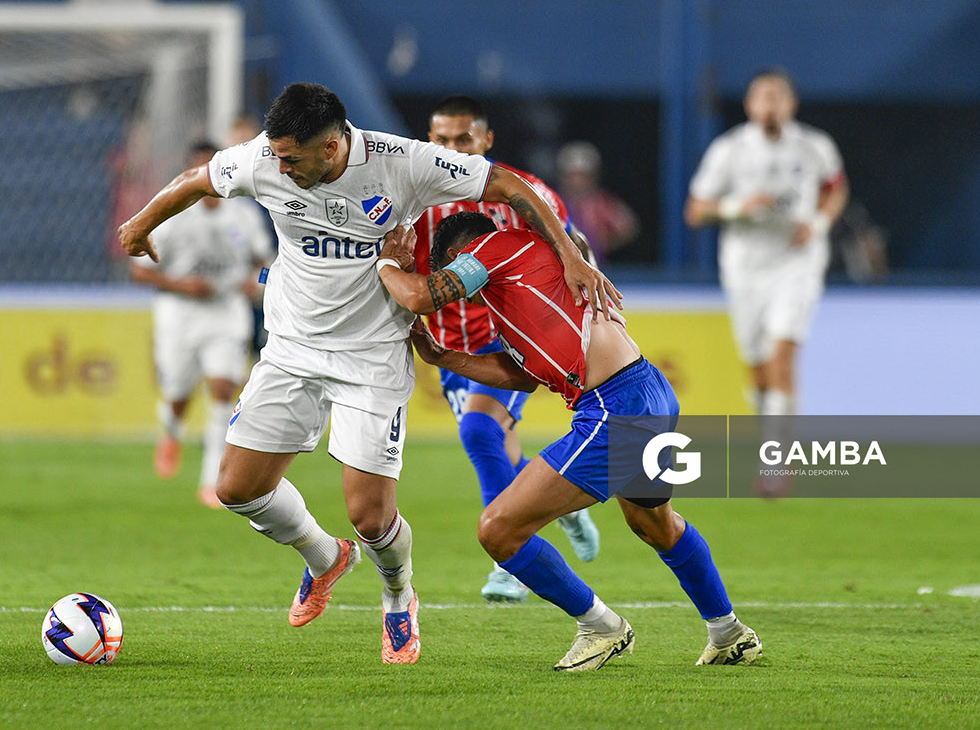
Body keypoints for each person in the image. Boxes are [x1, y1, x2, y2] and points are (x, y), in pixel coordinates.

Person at [117, 82, 617, 664]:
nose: (277, 167)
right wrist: (140, 223)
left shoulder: (401, 162)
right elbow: (200, 179)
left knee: (370, 516)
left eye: (292, 159)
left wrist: (571, 255)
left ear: (332, 147)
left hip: (371, 355)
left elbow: (507, 184)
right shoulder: (264, 158)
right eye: (275, 156)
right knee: (236, 489)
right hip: (291, 348)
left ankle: (399, 597)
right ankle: (324, 557)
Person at [377, 211, 760, 672]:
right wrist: (443, 357)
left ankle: (601, 627)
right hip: (646, 390)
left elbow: (420, 296)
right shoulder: (518, 292)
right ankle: (729, 632)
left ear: (460, 256)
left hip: (615, 406)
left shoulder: (492, 249)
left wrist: (387, 264)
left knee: (498, 529)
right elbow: (522, 376)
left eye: (452, 271)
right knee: (656, 525)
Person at [414, 96, 601, 603]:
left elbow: (570, 252)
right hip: (450, 344)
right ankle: (564, 508)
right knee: (500, 442)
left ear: (486, 142)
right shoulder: (412, 195)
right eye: (441, 141)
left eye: (463, 140)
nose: (451, 151)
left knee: (479, 430)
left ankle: (511, 559)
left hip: (508, 339)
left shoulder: (522, 194)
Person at [684, 68, 848, 496]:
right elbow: (696, 210)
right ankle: (772, 438)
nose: (771, 104)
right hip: (745, 268)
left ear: (791, 103)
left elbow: (836, 189)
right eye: (763, 97)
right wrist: (738, 207)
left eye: (779, 96)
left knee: (782, 356)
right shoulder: (730, 150)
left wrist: (817, 222)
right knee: (757, 371)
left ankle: (776, 464)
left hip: (797, 262)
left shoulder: (815, 146)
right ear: (750, 105)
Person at [129, 141, 274, 508]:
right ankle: (171, 431)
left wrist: (255, 281)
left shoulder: (243, 215)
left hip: (226, 310)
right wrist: (182, 285)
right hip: (180, 312)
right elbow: (139, 272)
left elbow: (265, 263)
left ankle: (212, 479)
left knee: (223, 389)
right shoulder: (170, 216)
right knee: (178, 391)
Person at [555, 141, 640, 263]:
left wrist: (597, 244)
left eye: (582, 175)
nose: (577, 181)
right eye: (573, 175)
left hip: (593, 268)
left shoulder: (602, 202)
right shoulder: (551, 201)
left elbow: (627, 228)